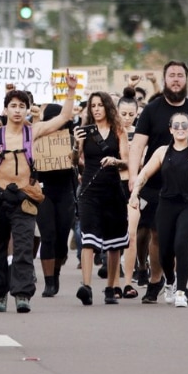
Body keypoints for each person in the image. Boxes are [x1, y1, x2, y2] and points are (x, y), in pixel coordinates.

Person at [0, 73, 78, 313]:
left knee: (24, 247)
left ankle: (22, 294)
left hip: (24, 196)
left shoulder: (33, 132)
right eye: (13, 106)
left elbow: (65, 117)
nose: (17, 110)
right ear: (4, 110)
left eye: (21, 106)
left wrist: (71, 90)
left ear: (26, 110)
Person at [128, 61, 188, 303]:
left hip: (187, 187)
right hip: (155, 185)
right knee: (158, 237)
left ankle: (180, 286)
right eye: (171, 75)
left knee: (182, 238)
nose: (176, 79)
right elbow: (137, 145)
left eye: (180, 75)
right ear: (165, 79)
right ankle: (156, 281)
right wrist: (133, 179)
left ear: (186, 80)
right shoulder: (151, 110)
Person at [74, 91, 129, 305]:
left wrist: (114, 161)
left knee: (114, 242)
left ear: (107, 107)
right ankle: (86, 287)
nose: (96, 109)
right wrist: (75, 144)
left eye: (100, 105)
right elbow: (75, 162)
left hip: (113, 189)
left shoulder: (118, 131)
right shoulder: (84, 132)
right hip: (89, 189)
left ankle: (110, 287)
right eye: (93, 105)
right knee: (88, 236)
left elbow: (126, 161)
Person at [35, 104, 77, 298]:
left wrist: (75, 153)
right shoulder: (37, 139)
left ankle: (57, 272)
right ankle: (49, 281)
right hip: (44, 192)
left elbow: (81, 166)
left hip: (65, 191)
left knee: (61, 238)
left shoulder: (71, 140)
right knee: (48, 236)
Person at [117, 87, 141, 296]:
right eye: (122, 114)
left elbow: (143, 161)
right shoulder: (110, 133)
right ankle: (113, 281)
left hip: (133, 187)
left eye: (130, 115)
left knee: (131, 235)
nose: (126, 119)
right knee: (113, 236)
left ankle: (127, 282)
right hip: (112, 187)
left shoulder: (141, 135)